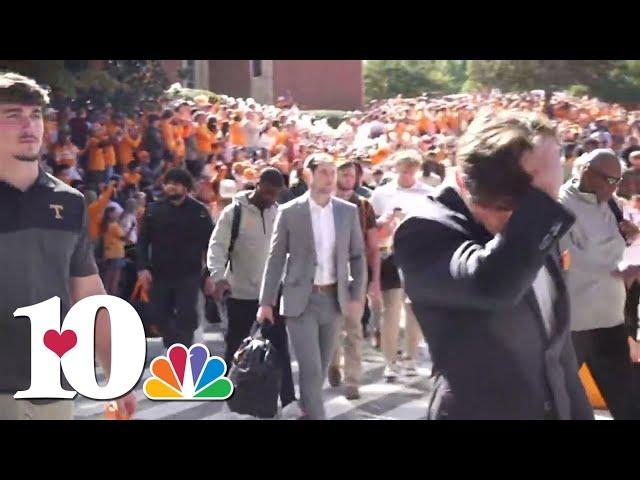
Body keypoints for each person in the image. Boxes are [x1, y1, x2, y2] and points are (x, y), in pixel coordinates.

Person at [394, 110, 593, 420]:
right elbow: (493, 285)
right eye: (505, 208)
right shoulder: (423, 230)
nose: (518, 222)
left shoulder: (538, 220)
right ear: (462, 180)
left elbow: (558, 351)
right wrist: (540, 203)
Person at [0, 72, 136, 419]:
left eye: (34, 116)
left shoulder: (70, 202)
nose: (28, 125)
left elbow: (88, 295)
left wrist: (116, 374)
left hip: (52, 385)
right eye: (12, 115)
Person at [257, 153, 367, 419]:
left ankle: (308, 411)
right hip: (300, 300)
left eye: (333, 172)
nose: (330, 178)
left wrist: (356, 295)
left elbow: (357, 255)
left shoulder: (347, 211)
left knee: (319, 372)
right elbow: (275, 258)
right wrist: (266, 301)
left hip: (333, 299)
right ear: (309, 175)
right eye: (324, 172)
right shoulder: (289, 212)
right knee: (311, 369)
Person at [559, 148, 640, 419]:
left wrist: (632, 236)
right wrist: (619, 250)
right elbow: (578, 259)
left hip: (611, 321)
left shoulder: (611, 204)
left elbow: (619, 251)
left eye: (618, 181)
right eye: (608, 180)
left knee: (630, 404)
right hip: (574, 325)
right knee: (557, 406)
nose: (614, 188)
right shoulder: (559, 206)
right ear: (585, 172)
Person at [207, 168, 295, 408]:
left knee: (280, 347)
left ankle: (288, 400)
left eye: (275, 194)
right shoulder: (233, 213)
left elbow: (286, 253)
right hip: (240, 293)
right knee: (236, 346)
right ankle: (227, 393)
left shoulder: (280, 214)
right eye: (267, 191)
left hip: (271, 295)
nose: (270, 197)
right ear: (258, 185)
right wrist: (218, 277)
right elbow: (217, 247)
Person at [369, 150, 431, 380]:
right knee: (391, 310)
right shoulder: (382, 193)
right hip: (389, 254)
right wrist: (386, 220)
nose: (406, 175)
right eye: (403, 170)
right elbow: (371, 225)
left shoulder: (428, 193)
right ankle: (390, 361)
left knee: (413, 308)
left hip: (416, 254)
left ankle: (410, 358)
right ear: (396, 169)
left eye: (411, 171)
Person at [137, 168, 214, 348]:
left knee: (186, 315)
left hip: (189, 274)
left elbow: (211, 246)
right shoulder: (153, 210)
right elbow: (142, 242)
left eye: (176, 184)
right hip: (159, 273)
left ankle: (183, 353)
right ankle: (172, 346)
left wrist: (210, 274)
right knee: (159, 315)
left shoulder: (199, 212)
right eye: (168, 183)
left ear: (186, 187)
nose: (171, 187)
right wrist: (142, 268)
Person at [328, 159, 381, 400]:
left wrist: (374, 278)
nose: (348, 178)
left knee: (354, 328)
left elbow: (373, 245)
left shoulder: (364, 206)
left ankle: (352, 380)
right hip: (328, 274)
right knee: (331, 327)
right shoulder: (324, 204)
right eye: (344, 174)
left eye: (352, 175)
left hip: (356, 272)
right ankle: (332, 364)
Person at [101, 206, 132, 296]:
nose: (117, 214)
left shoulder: (106, 225)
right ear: (110, 214)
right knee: (115, 279)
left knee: (107, 278)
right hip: (116, 254)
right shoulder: (114, 226)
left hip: (109, 253)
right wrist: (131, 229)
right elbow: (125, 238)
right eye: (115, 213)